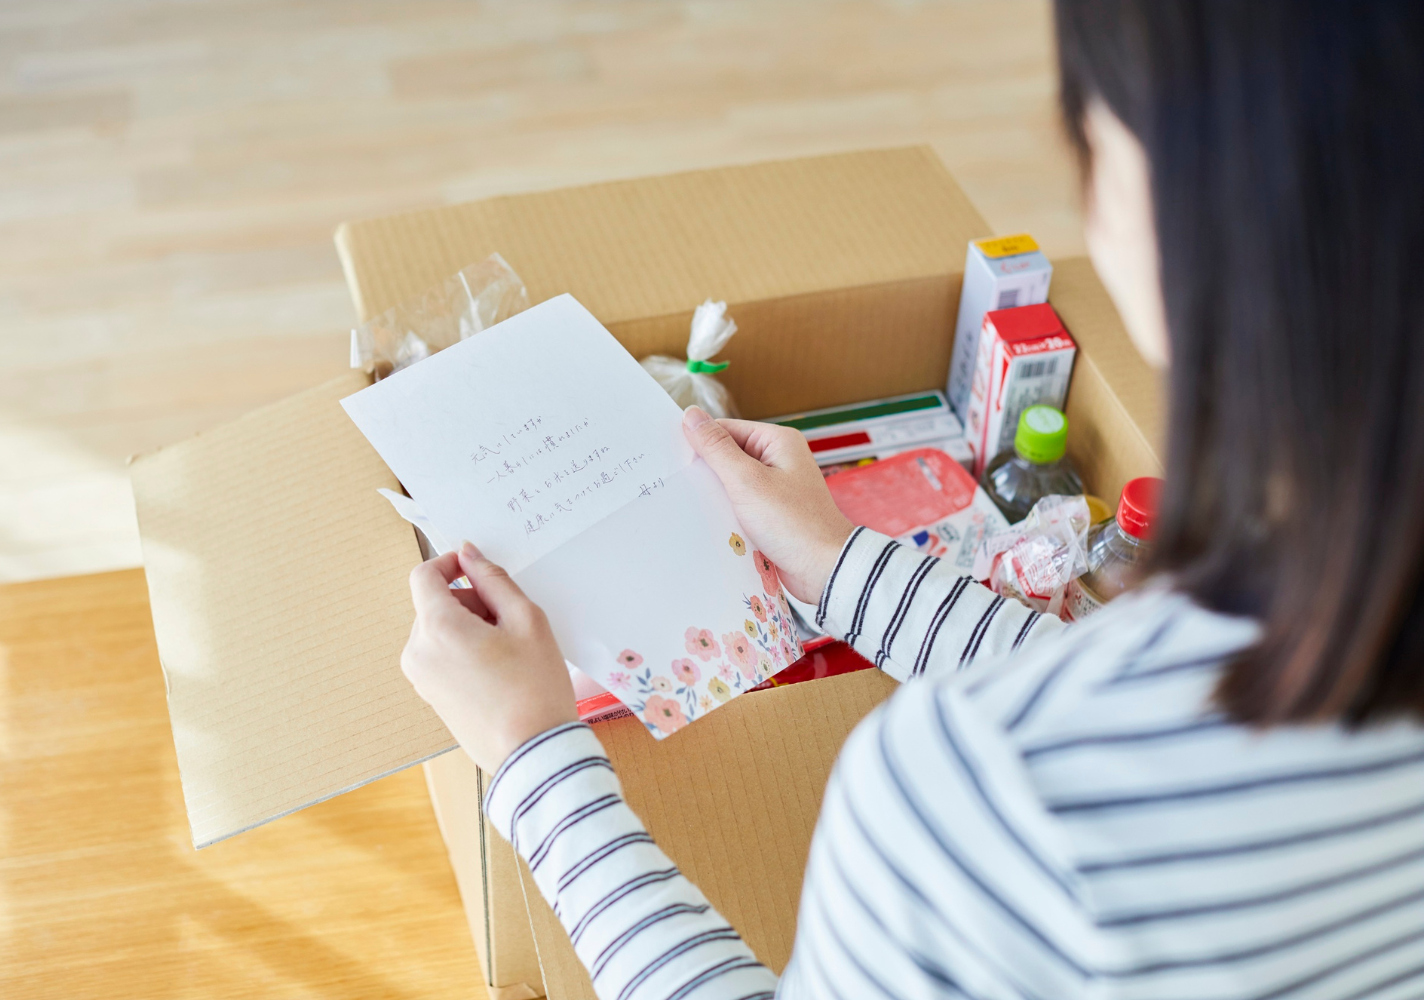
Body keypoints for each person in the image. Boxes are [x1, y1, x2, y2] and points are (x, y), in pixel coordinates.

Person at [399, 2, 1424, 997]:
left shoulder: (989, 795)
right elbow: (1173, 733)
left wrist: (536, 760)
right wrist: (842, 564)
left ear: (1171, 207)